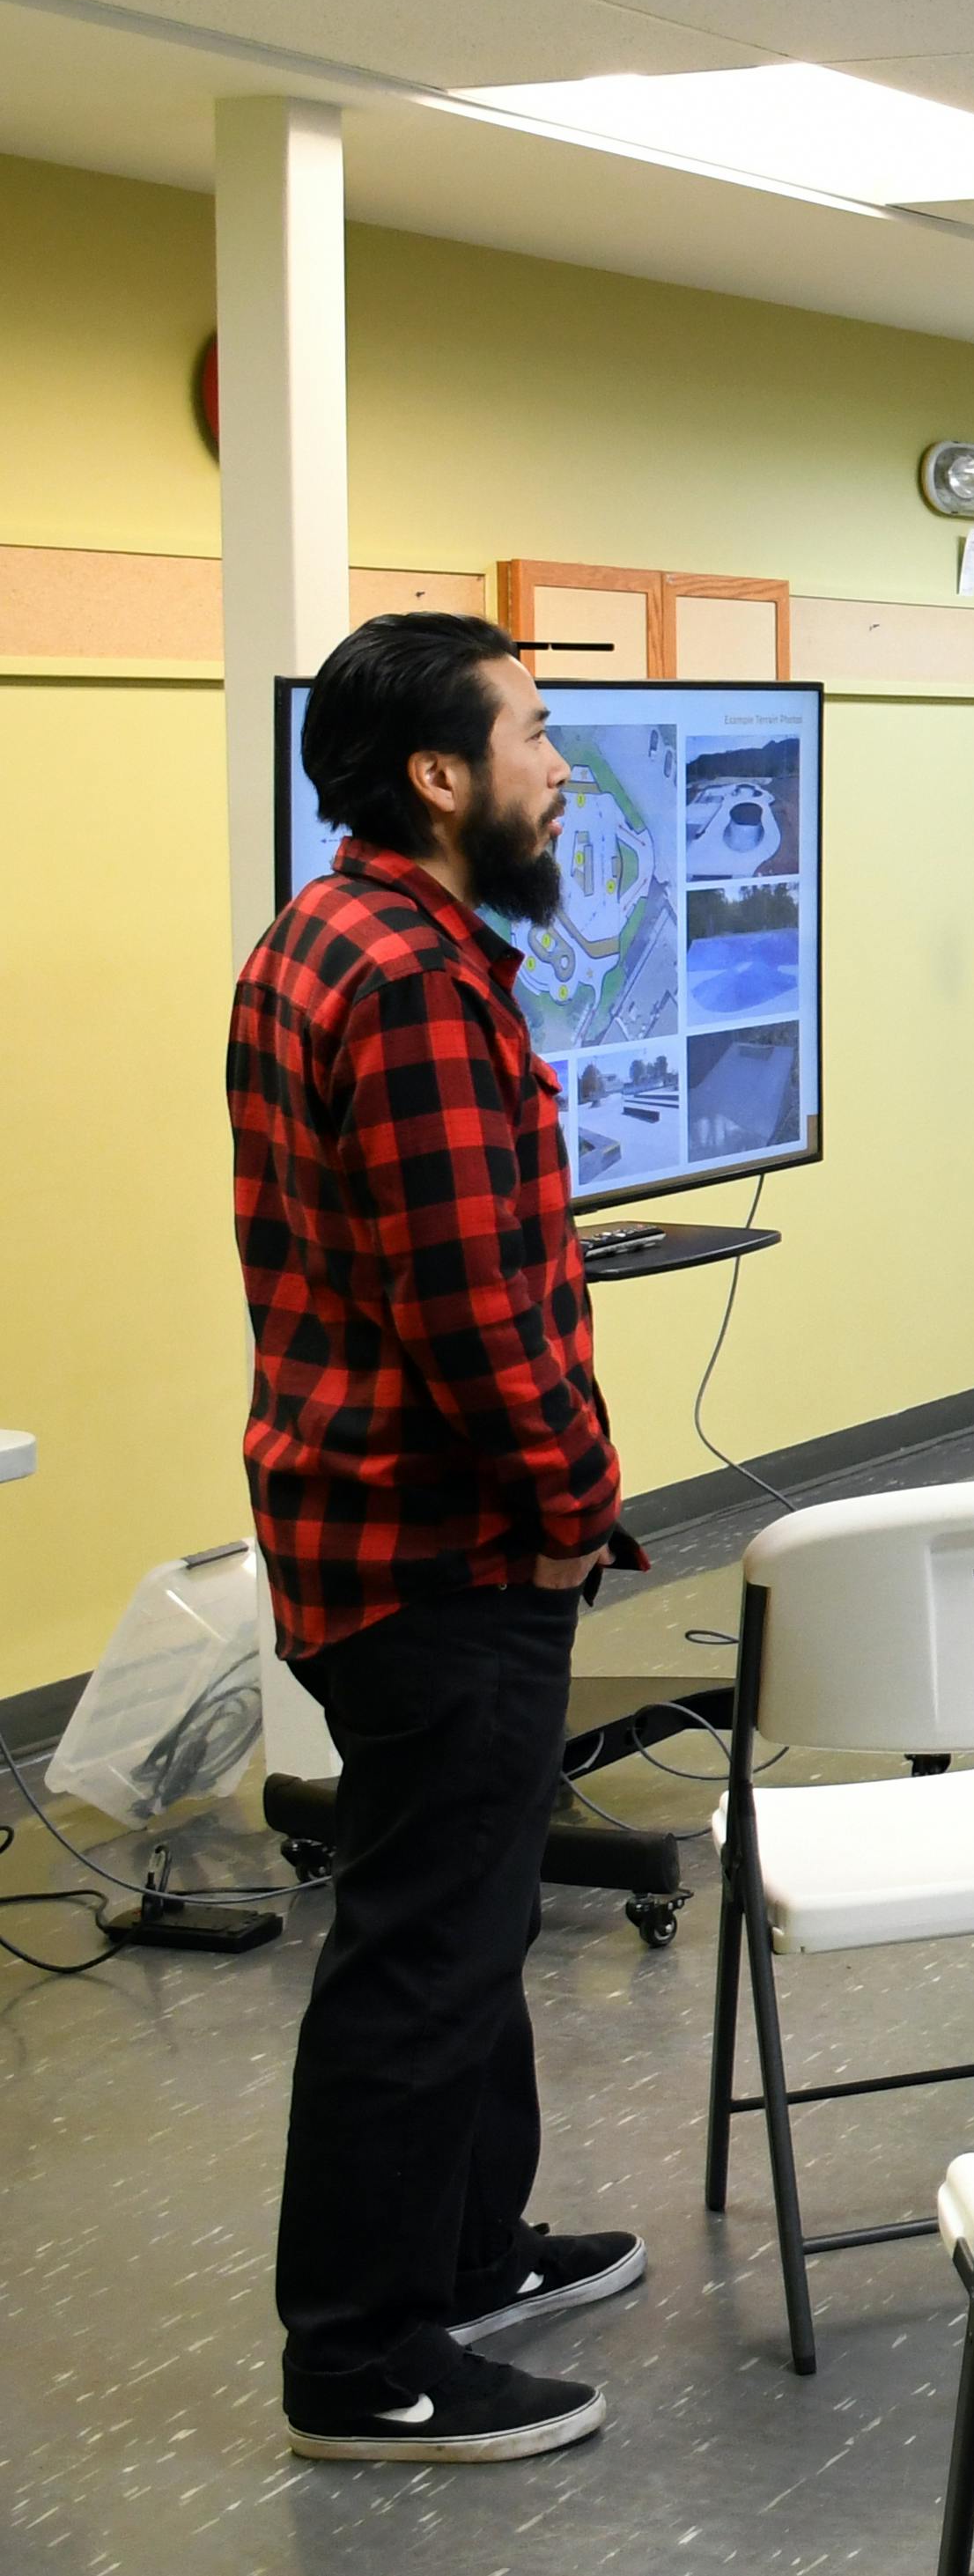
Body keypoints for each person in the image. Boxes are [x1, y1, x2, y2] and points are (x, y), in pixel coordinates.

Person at [233, 615, 648, 2463]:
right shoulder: (411, 984)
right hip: (439, 1546)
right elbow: (473, 1308)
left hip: (363, 1523)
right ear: (437, 773)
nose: (559, 770)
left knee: (468, 1913)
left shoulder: (327, 933)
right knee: (423, 1947)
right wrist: (573, 1508)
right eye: (536, 734)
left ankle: (468, 2253)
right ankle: (362, 2355)